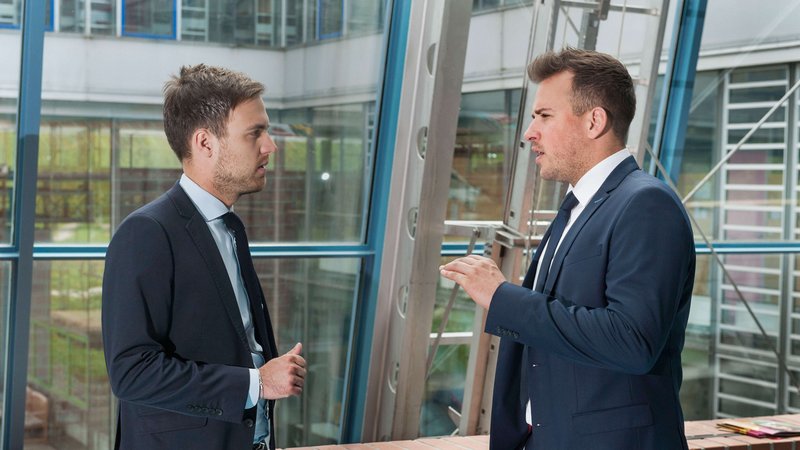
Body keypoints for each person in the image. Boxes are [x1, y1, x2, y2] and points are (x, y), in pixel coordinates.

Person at [440, 48, 695, 449]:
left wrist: (502, 297)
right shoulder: (577, 206)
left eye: (544, 116)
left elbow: (632, 341)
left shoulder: (647, 204)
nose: (529, 132)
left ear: (594, 121)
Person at [102, 64, 306, 450]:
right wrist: (258, 383)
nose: (270, 146)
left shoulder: (229, 227)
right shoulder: (146, 233)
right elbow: (131, 373)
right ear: (205, 143)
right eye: (255, 133)